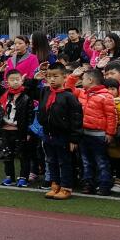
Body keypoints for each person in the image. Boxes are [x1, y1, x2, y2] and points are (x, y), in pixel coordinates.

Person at [37, 64, 83, 200]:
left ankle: (66, 187)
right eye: (49, 76)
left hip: (63, 135)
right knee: (51, 161)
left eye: (55, 76)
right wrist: (35, 80)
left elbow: (76, 118)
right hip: (47, 133)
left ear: (64, 77)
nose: (52, 80)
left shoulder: (69, 96)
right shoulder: (45, 92)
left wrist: (74, 138)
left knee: (65, 162)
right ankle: (55, 184)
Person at [77, 68, 118, 195]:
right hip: (84, 133)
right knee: (86, 161)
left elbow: (112, 116)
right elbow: (69, 88)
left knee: (101, 161)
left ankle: (104, 185)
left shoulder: (106, 96)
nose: (81, 81)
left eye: (83, 79)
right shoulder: (83, 93)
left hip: (99, 135)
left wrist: (110, 133)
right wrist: (73, 76)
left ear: (90, 80)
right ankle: (88, 184)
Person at [0, 69, 33, 187]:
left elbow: (30, 115)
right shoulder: (5, 95)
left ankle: (23, 177)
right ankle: (9, 177)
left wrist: (28, 131)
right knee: (7, 154)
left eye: (18, 79)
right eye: (12, 80)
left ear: (22, 80)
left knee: (23, 155)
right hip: (6, 129)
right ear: (7, 82)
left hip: (20, 130)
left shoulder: (26, 96)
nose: (15, 82)